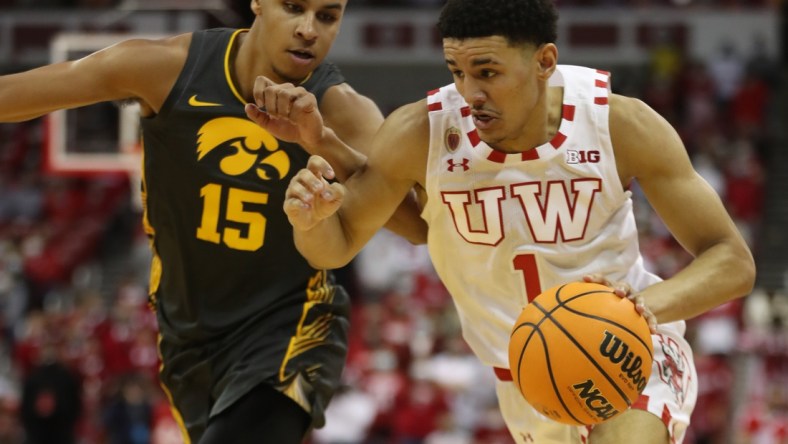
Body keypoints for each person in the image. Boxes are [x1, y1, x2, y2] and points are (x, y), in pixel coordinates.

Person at [277, 0, 757, 442]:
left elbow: (732, 261)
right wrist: (310, 220)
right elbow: (334, 247)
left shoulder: (618, 123)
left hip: (626, 348)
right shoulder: (419, 132)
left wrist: (643, 307)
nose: (470, 92)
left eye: (487, 72)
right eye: (457, 72)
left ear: (544, 62)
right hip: (526, 379)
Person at [0, 0, 426, 442]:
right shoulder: (167, 69)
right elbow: (24, 92)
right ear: (258, 2)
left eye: (327, 16)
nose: (308, 29)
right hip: (187, 339)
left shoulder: (341, 110)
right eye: (294, 7)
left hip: (290, 328)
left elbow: (418, 226)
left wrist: (322, 141)